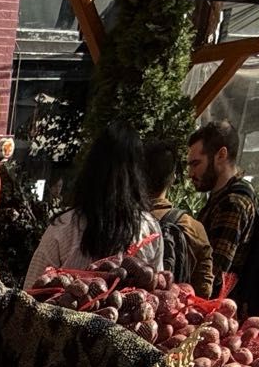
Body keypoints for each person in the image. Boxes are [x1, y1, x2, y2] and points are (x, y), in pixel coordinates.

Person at [22, 120, 161, 286]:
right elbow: (156, 291)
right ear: (138, 175)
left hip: (62, 312)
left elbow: (30, 293)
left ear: (90, 171)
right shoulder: (150, 231)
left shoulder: (63, 228)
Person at [142, 137, 214, 297]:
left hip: (126, 314)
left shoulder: (122, 222)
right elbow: (204, 291)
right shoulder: (194, 228)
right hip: (175, 316)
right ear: (173, 178)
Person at [186, 121, 257, 284]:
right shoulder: (221, 197)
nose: (190, 174)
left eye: (196, 163)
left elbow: (213, 274)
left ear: (221, 155)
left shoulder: (233, 203)